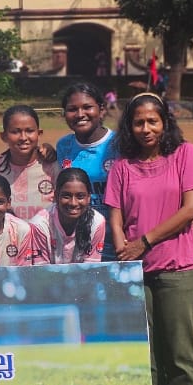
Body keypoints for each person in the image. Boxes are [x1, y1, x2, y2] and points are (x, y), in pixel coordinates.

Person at [106, 92, 193, 385]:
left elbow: (191, 208)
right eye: (138, 122)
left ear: (165, 122)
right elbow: (115, 216)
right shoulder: (122, 166)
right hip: (136, 272)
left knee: (179, 355)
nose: (146, 128)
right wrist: (124, 251)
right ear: (129, 127)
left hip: (178, 270)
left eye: (153, 121)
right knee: (146, 357)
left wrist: (144, 242)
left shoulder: (185, 155)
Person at [55, 82, 120, 260]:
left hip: (116, 244)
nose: (80, 114)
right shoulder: (63, 146)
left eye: (87, 107)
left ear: (102, 110)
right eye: (72, 109)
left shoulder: (120, 144)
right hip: (77, 246)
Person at [0, 105, 58, 221]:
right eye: (15, 132)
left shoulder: (53, 167)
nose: (23, 137)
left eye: (29, 131)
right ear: (3, 136)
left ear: (39, 133)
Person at [30, 168, 106, 264]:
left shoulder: (97, 222)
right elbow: (41, 269)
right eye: (66, 196)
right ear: (56, 196)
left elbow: (91, 268)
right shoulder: (40, 225)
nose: (73, 203)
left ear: (88, 197)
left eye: (80, 196)